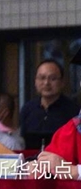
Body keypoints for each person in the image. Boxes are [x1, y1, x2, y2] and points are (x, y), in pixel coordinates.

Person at [29, 49, 81, 179]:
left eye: (52, 78)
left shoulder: (71, 111)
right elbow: (51, 159)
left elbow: (69, 171)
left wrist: (75, 171)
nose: (46, 83)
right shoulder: (74, 127)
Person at [20, 59, 79, 148]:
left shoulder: (74, 111)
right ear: (35, 81)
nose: (46, 83)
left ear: (62, 82)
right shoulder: (27, 109)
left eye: (53, 78)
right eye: (42, 78)